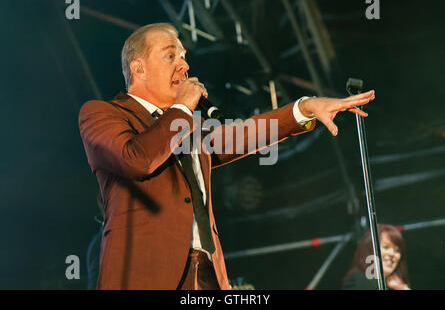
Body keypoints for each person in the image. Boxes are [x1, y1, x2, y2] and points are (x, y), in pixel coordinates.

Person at [78, 22, 375, 290]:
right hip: (145, 277)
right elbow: (137, 159)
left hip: (208, 275)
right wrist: (181, 108)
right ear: (138, 68)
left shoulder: (188, 126)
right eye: (171, 56)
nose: (184, 66)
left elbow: (243, 134)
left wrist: (305, 108)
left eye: (184, 57)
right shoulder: (102, 113)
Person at [343, 224, 411, 290]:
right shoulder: (361, 281)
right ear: (370, 249)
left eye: (397, 250)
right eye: (386, 247)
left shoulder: (395, 286)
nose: (392, 254)